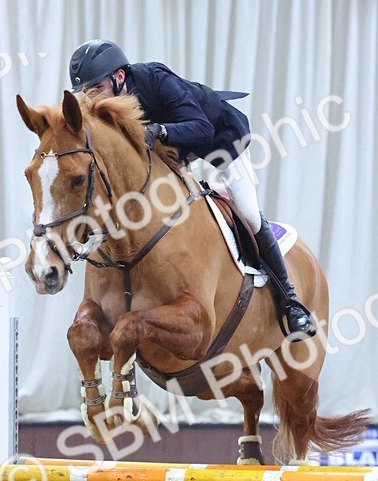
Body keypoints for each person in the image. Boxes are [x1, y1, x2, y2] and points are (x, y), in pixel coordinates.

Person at [68, 39, 315, 338]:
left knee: (248, 214)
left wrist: (159, 130)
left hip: (220, 141)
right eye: (86, 92)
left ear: (119, 77)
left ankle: (290, 302)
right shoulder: (103, 103)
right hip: (176, 150)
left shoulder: (156, 80)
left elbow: (202, 128)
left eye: (96, 89)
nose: (91, 98)